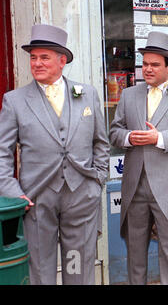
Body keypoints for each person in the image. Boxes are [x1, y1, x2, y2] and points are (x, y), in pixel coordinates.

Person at [0, 24, 110, 284]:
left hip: (81, 195)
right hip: (36, 199)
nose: (37, 63)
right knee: (40, 267)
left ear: (62, 61)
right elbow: (2, 153)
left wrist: (98, 179)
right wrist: (13, 192)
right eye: (33, 57)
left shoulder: (87, 94)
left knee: (77, 266)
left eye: (44, 57)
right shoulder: (15, 100)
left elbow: (100, 143)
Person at [109, 31, 168, 285]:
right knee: (135, 255)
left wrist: (158, 138)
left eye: (154, 65)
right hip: (134, 186)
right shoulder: (129, 95)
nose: (147, 70)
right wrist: (129, 138)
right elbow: (114, 132)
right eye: (144, 64)